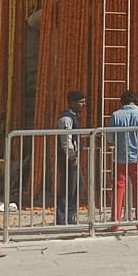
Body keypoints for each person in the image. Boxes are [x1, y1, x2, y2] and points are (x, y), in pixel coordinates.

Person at [109, 90, 138, 232]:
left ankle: (115, 223)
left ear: (122, 101)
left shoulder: (115, 116)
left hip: (120, 158)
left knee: (118, 190)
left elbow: (110, 137)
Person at [55, 90, 86, 225]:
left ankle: (70, 215)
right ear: (72, 103)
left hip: (72, 158)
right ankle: (62, 217)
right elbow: (66, 140)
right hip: (67, 158)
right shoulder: (66, 119)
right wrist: (72, 156)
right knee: (68, 188)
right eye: (81, 102)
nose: (83, 105)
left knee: (78, 186)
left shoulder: (73, 117)